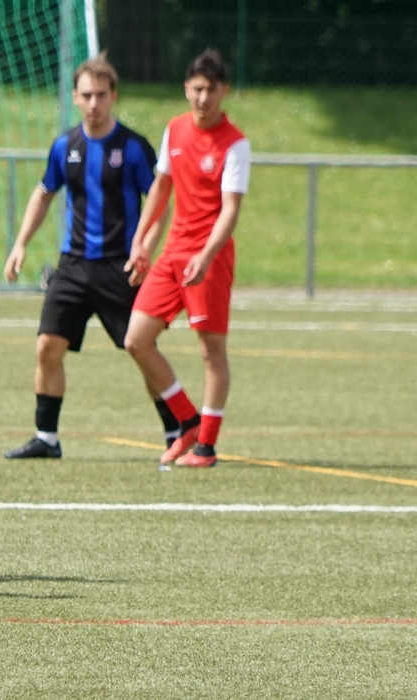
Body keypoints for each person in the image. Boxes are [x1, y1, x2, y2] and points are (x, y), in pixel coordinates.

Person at [2, 53, 174, 459]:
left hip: (122, 267)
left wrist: (146, 248)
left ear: (113, 96)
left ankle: (175, 432)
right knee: (47, 345)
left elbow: (160, 202)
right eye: (86, 95)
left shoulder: (134, 147)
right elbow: (44, 193)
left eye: (101, 95)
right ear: (75, 98)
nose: (93, 103)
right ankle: (47, 438)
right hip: (74, 266)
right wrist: (20, 243)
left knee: (143, 350)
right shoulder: (65, 146)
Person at [123, 49, 250, 469]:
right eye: (197, 89)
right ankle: (188, 419)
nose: (203, 98)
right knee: (136, 340)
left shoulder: (235, 144)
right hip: (173, 254)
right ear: (186, 89)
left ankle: (206, 447)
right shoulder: (174, 130)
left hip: (209, 260)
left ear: (223, 91)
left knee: (211, 352)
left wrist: (206, 256)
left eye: (211, 90)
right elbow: (161, 188)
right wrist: (141, 242)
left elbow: (230, 211)